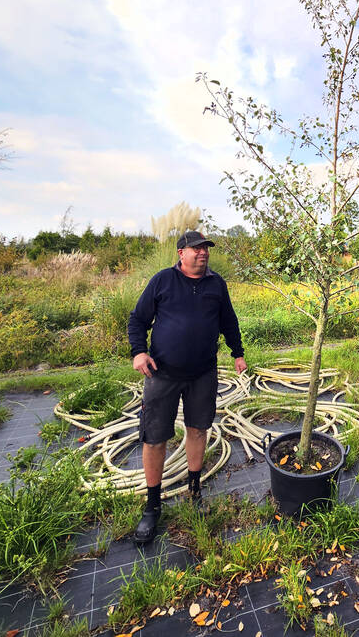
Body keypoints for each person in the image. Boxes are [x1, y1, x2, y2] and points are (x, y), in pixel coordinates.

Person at [127, 229, 246, 544]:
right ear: (181, 253)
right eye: (196, 248)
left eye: (205, 248)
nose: (202, 253)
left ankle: (194, 492)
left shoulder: (216, 284)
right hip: (162, 374)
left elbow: (228, 321)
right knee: (154, 439)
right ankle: (152, 506)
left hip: (203, 374)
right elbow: (137, 320)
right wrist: (139, 351)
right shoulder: (162, 281)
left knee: (198, 429)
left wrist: (238, 352)